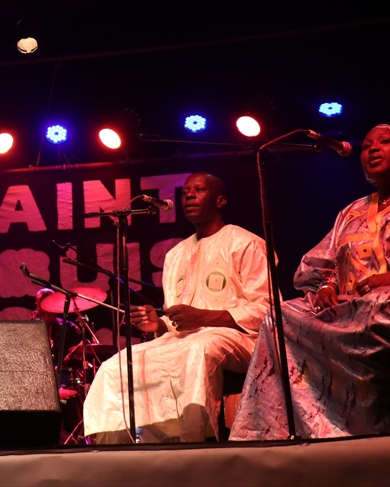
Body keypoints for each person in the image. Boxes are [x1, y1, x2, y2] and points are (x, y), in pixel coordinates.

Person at [230, 125, 390, 439]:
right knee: (281, 315)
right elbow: (321, 261)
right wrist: (326, 285)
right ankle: (290, 433)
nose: (372, 149)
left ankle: (379, 426)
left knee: (384, 305)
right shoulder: (352, 211)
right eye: (367, 145)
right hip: (356, 304)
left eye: (384, 142)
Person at [83, 173, 271, 443]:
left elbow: (267, 310)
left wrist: (204, 317)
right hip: (183, 340)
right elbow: (175, 321)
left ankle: (193, 444)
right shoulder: (175, 254)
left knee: (198, 348)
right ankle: (118, 455)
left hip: (239, 338)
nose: (189, 196)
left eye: (199, 190)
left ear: (220, 200)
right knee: (116, 365)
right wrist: (159, 324)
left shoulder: (246, 244)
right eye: (185, 192)